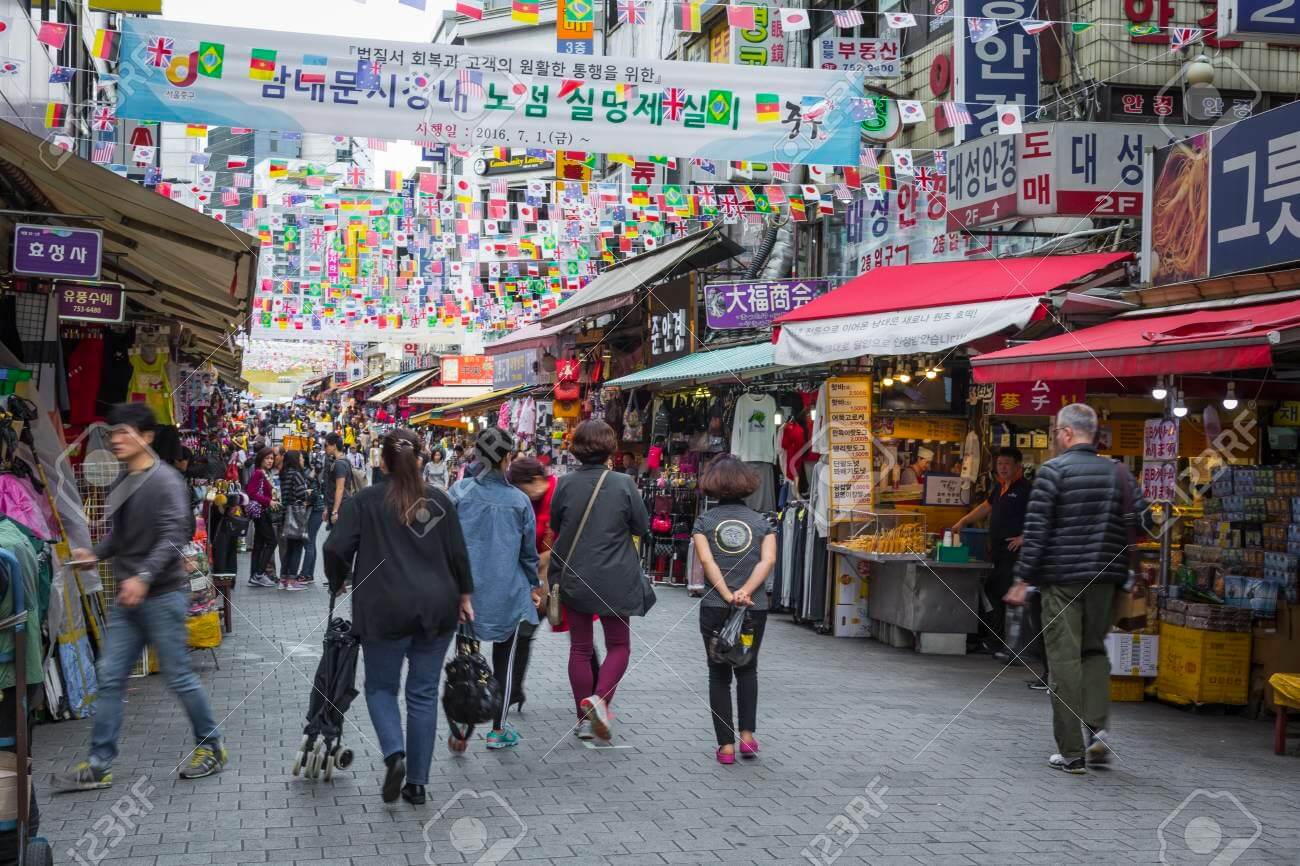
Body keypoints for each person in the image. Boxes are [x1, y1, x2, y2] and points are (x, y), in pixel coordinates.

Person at [56, 404, 226, 790]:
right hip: (128, 597)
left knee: (179, 676)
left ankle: (211, 745)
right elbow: (121, 535)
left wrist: (145, 576)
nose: (116, 439)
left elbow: (174, 535)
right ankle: (100, 764)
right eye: (114, 432)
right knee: (110, 676)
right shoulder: (121, 479)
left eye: (125, 432)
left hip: (162, 596)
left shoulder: (166, 482)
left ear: (146, 437)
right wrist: (94, 554)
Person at [324, 428, 474, 805]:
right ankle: (418, 785)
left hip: (383, 607)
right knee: (422, 695)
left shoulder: (366, 502)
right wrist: (466, 595)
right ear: (420, 459)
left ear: (383, 461)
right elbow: (458, 553)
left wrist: (337, 580)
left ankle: (394, 755)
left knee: (380, 689)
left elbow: (335, 546)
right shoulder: (435, 502)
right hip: (437, 606)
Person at [1010, 403, 1148, 775]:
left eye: (1056, 432)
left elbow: (1037, 532)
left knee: (1064, 659)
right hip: (1106, 579)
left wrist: (1024, 578)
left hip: (1063, 580)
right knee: (1093, 651)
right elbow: (1145, 521)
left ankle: (1072, 752)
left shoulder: (1053, 472)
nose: (1056, 438)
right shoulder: (1120, 472)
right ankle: (1097, 729)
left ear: (1068, 433)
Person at [550, 420, 652, 742]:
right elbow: (642, 527)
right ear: (610, 447)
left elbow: (556, 526)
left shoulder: (564, 484)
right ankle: (599, 700)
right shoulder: (624, 483)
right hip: (616, 576)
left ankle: (582, 721)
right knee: (619, 645)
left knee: (580, 648)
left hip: (575, 576)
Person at [449, 428, 540, 750]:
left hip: (466, 595)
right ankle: (498, 730)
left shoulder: (458, 492)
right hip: (507, 594)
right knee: (504, 662)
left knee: (465, 663)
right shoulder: (519, 501)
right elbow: (528, 553)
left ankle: (461, 728)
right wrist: (534, 584)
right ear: (505, 459)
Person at [692, 455, 777, 765]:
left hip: (715, 604)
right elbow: (767, 561)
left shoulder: (704, 522)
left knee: (718, 675)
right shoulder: (762, 522)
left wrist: (728, 594)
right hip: (755, 606)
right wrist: (745, 592)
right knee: (747, 669)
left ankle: (725, 747)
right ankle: (748, 738)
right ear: (746, 484)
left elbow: (707, 562)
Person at [952, 447, 1030, 657]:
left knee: (1000, 593)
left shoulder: (1026, 489)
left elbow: (1040, 515)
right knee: (994, 592)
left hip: (1014, 553)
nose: (1002, 467)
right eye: (999, 464)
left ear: (1017, 466)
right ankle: (997, 641)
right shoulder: (1000, 487)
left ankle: (1004, 644)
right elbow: (986, 507)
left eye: (1007, 463)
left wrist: (1025, 537)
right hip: (997, 550)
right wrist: (964, 521)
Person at [277, 451, 311, 591]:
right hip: (296, 514)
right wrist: (307, 493)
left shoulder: (284, 473)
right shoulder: (296, 474)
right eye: (301, 457)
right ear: (296, 459)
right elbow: (300, 493)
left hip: (286, 513)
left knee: (289, 548)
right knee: (297, 547)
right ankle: (292, 581)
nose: (302, 459)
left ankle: (283, 579)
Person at [247, 448, 279, 588]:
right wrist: (269, 501)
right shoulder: (259, 473)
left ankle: (254, 575)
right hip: (260, 512)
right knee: (272, 541)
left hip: (262, 512)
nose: (270, 461)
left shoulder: (265, 473)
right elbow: (251, 492)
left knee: (259, 545)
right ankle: (259, 574)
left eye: (272, 458)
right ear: (261, 459)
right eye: (267, 458)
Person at [299, 453, 327, 583]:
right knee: (311, 542)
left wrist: (305, 502)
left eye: (300, 457)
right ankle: (309, 574)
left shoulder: (307, 473)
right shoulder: (307, 472)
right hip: (317, 510)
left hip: (315, 510)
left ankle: (305, 574)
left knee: (308, 541)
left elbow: (314, 494)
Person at [324, 432, 353, 528]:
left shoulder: (339, 464)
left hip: (340, 507)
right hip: (339, 506)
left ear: (334, 446)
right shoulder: (342, 461)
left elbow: (339, 488)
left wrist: (335, 511)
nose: (325, 448)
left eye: (326, 445)